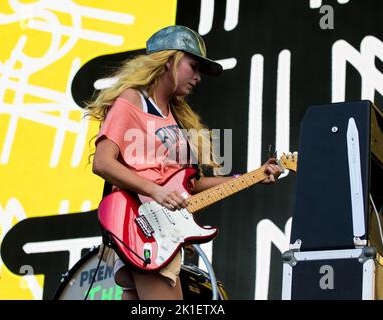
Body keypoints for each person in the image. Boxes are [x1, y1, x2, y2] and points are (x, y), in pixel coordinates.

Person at [85, 25, 281, 300]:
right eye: (194, 66)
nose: (198, 77)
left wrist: (252, 176)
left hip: (162, 232)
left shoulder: (175, 119)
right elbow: (103, 163)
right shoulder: (133, 100)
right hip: (141, 224)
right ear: (169, 61)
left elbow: (192, 183)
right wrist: (155, 190)